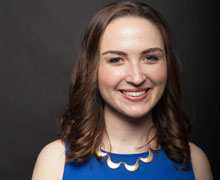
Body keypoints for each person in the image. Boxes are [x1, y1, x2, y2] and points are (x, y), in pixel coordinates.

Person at [32, 1, 213, 180]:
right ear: (92, 69)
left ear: (168, 65)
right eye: (116, 60)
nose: (136, 78)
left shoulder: (195, 162)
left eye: (150, 57)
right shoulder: (54, 162)